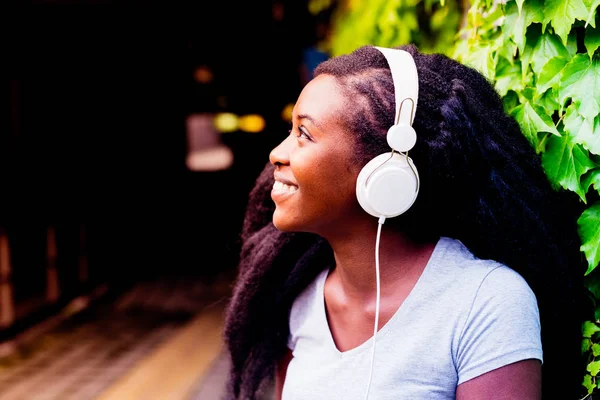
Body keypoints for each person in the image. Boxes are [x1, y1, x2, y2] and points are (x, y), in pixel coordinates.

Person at [223, 44, 587, 400]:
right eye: (291, 130)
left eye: (304, 133)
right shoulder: (300, 298)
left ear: (385, 172)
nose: (277, 153)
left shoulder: (486, 302)